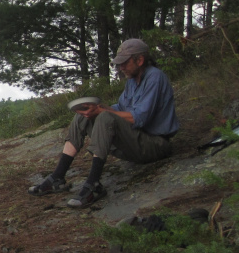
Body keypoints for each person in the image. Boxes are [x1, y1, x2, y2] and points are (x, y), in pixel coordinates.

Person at [28, 38, 180, 208]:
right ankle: (58, 177)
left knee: (105, 117)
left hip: (155, 145)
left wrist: (103, 111)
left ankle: (93, 184)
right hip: (136, 142)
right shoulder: (132, 80)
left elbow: (139, 118)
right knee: (84, 116)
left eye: (124, 63)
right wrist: (97, 108)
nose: (120, 67)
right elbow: (121, 108)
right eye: (119, 63)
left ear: (140, 60)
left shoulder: (155, 78)